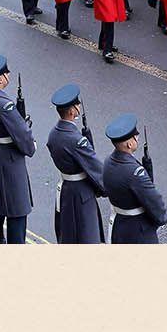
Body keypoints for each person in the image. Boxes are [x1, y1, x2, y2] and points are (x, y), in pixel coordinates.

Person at [0, 55, 35, 244]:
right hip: (9, 157)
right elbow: (24, 138)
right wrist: (26, 131)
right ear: (0, 79)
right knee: (16, 207)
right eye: (6, 72)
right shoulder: (5, 105)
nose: (8, 75)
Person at [45, 84, 107, 243]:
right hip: (81, 194)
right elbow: (95, 168)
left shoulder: (54, 134)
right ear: (72, 111)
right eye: (76, 105)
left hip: (66, 189)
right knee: (87, 237)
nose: (79, 106)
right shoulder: (76, 140)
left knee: (68, 235)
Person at [101, 114, 167, 243]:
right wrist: (162, 218)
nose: (137, 138)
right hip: (139, 232)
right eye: (135, 137)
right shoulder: (135, 172)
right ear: (129, 144)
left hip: (119, 226)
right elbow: (157, 207)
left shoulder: (108, 161)